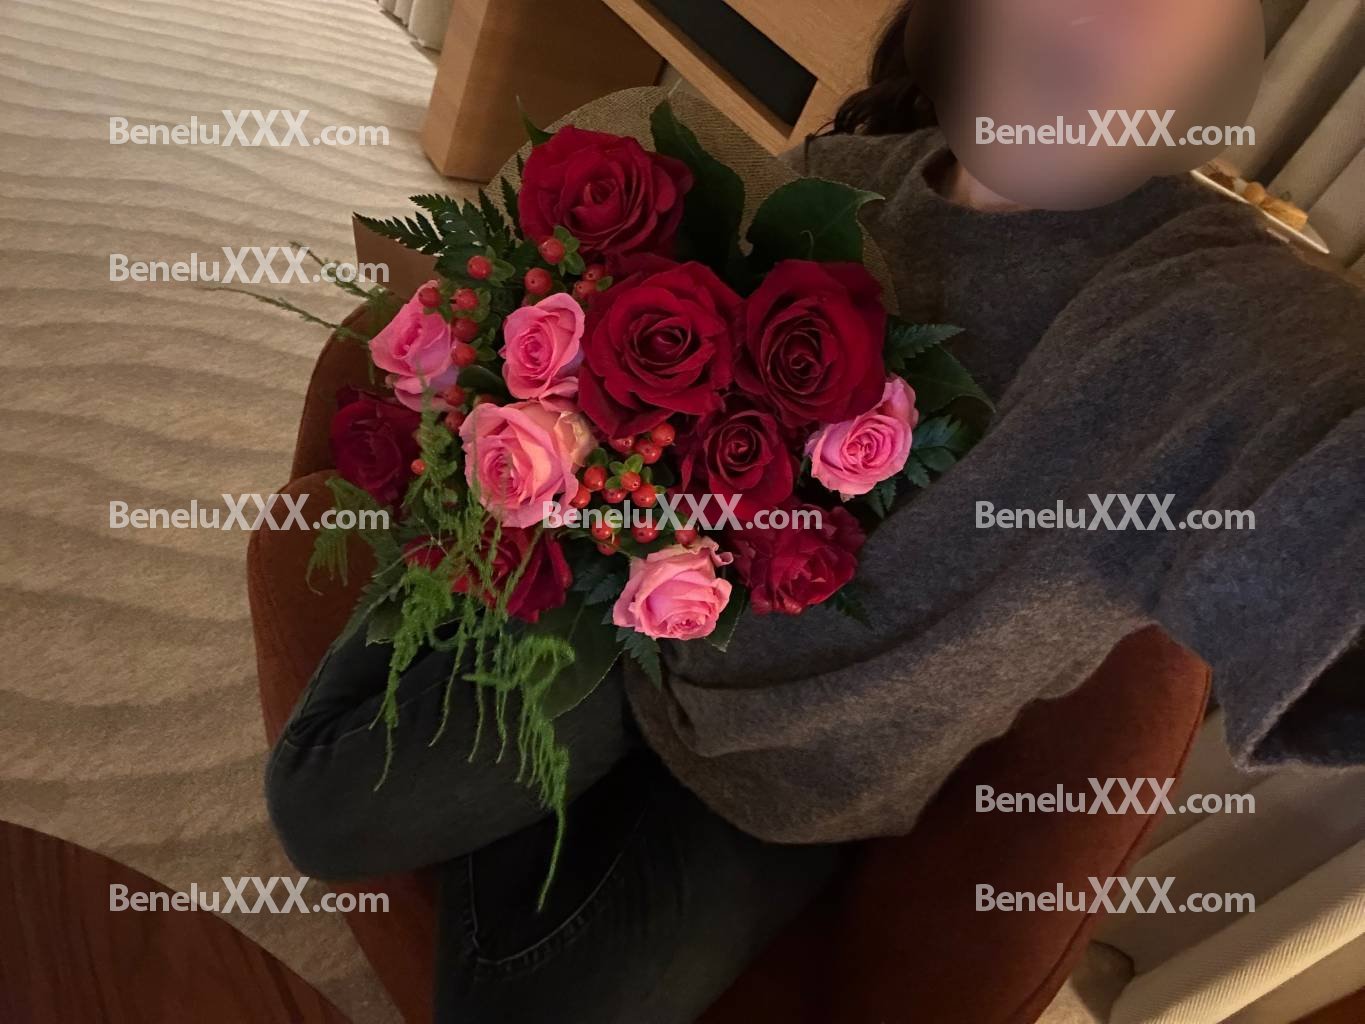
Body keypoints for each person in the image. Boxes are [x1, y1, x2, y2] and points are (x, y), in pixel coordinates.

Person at [268, 3, 1364, 1020]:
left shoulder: (1198, 312)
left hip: (788, 779)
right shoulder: (837, 176)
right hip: (619, 636)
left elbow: (1317, 439)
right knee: (323, 809)